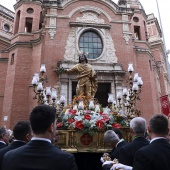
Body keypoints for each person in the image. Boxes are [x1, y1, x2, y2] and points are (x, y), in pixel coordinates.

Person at [2, 105, 78, 170]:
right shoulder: (66, 159)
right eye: (55, 125)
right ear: (51, 127)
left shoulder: (10, 156)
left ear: (31, 127)